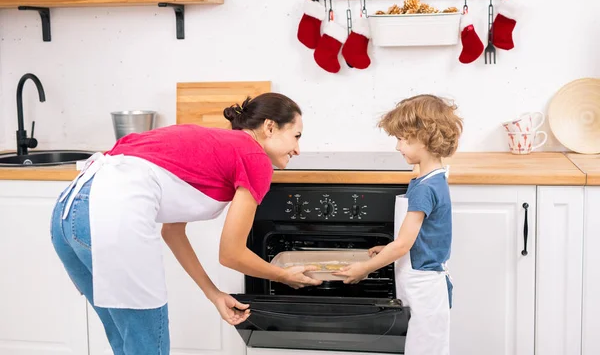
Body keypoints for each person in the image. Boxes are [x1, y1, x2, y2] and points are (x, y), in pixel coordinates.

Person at [50, 93, 322, 355]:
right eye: (296, 136)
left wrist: (213, 294)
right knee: (147, 348)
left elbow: (172, 231)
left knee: (126, 342)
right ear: (270, 127)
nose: (298, 149)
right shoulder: (255, 157)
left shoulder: (214, 144)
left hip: (67, 215)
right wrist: (284, 276)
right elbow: (231, 254)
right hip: (112, 217)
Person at [334, 94, 463, 355]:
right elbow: (419, 236)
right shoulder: (434, 178)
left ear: (424, 137)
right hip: (425, 282)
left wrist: (364, 269)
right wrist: (387, 248)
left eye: (402, 139)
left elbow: (403, 244)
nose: (397, 146)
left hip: (423, 287)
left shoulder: (425, 188)